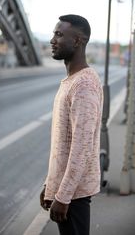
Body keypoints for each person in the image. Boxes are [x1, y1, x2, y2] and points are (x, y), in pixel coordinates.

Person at [40, 14, 103, 235]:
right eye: (53, 34)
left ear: (77, 41)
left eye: (59, 34)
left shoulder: (83, 85)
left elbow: (81, 148)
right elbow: (63, 145)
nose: (52, 40)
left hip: (74, 195)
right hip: (68, 191)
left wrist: (63, 196)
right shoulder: (72, 81)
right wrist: (51, 184)